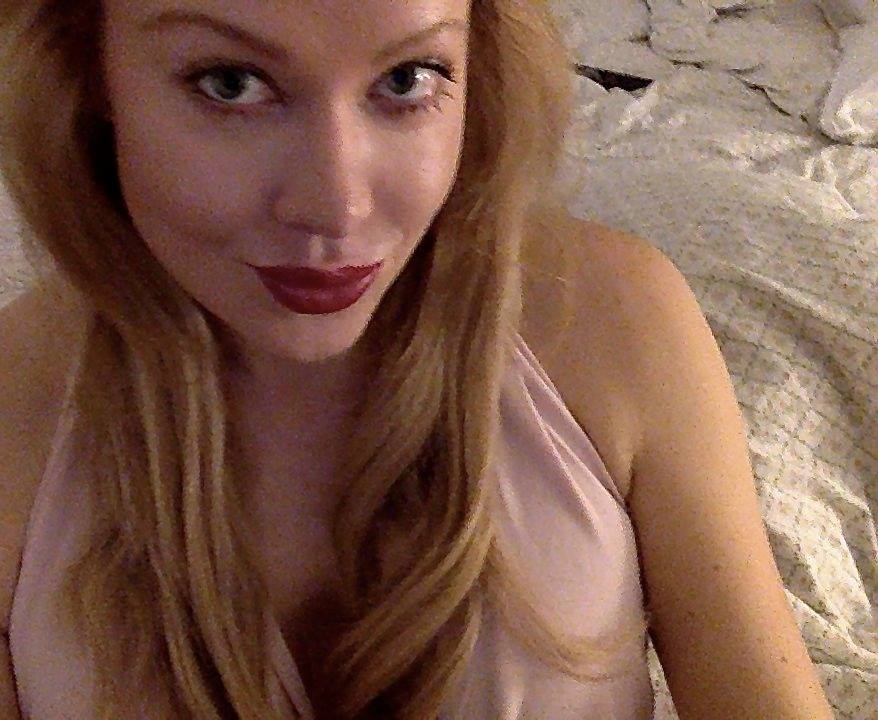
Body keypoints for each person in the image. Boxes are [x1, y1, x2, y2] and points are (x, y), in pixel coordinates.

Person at [0, 1, 836, 719]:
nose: (337, 205)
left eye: (406, 79)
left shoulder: (615, 322)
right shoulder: (15, 396)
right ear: (89, 73)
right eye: (229, 83)